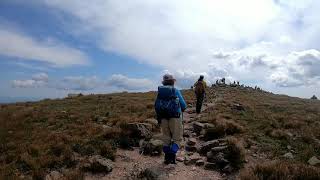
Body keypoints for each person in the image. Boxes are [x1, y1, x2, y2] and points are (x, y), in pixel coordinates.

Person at [155, 74, 187, 164]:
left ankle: (166, 158)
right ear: (173, 81)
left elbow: (156, 105)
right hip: (175, 117)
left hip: (164, 118)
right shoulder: (175, 90)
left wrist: (159, 118)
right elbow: (183, 105)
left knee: (166, 138)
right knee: (177, 138)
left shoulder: (160, 92)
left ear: (164, 82)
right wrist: (181, 109)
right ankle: (172, 157)